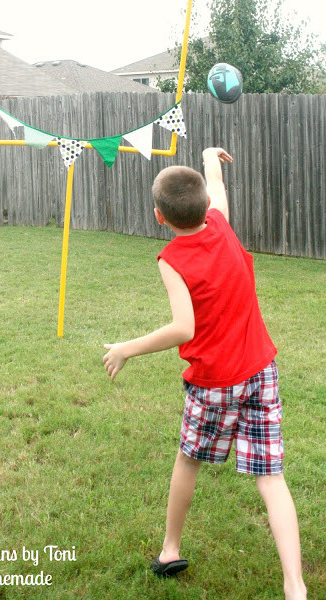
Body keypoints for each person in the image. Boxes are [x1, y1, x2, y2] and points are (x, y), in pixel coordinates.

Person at [102, 148, 307, 600]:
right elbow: (217, 188)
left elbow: (183, 328)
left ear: (159, 216)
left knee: (188, 460)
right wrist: (209, 156)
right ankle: (295, 586)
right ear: (203, 207)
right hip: (260, 369)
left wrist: (126, 349)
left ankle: (170, 548)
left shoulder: (171, 258)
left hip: (215, 382)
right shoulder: (221, 224)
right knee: (271, 478)